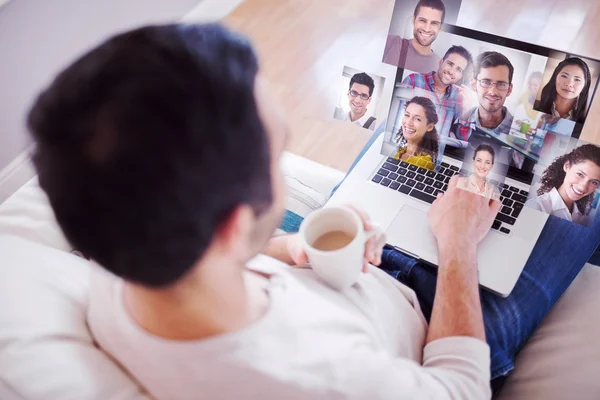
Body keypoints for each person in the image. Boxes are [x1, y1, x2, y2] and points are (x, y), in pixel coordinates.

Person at [26, 22, 600, 399]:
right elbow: (460, 388)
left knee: (396, 150)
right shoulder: (318, 378)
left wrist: (292, 247)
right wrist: (458, 249)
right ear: (230, 227)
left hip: (347, 271)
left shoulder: (114, 265)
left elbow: (237, 260)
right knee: (588, 201)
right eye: (278, 151)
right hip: (442, 322)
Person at [401, 45, 473, 138]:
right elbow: (397, 118)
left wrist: (466, 114)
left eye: (458, 69)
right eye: (450, 64)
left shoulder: (460, 97)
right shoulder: (413, 81)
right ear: (441, 62)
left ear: (460, 76)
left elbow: (463, 137)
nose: (451, 71)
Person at [526, 144, 600, 226]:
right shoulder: (537, 207)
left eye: (594, 182)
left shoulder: (581, 217)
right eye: (580, 174)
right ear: (567, 166)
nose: (583, 187)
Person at [452, 51, 515, 142]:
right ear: (474, 84)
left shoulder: (519, 131)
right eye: (486, 82)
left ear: (509, 89)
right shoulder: (458, 117)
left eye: (501, 84)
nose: (493, 92)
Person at [383, 0, 445, 73]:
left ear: (440, 27)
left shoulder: (441, 67)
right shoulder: (390, 42)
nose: (427, 29)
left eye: (434, 23)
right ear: (413, 20)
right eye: (422, 20)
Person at [534, 57, 592, 135]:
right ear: (555, 78)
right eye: (564, 76)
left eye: (577, 80)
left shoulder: (585, 122)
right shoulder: (535, 105)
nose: (569, 84)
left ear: (584, 86)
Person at [391, 96, 439, 170]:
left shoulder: (424, 162)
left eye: (418, 119)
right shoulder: (402, 151)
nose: (408, 122)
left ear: (429, 126)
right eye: (407, 115)